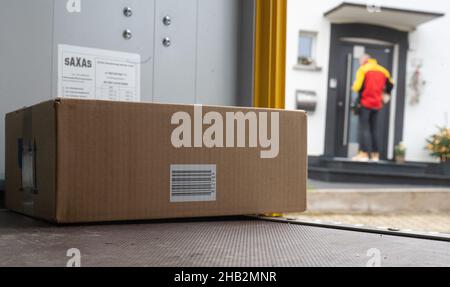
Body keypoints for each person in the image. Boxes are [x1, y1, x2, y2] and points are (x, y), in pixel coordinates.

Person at [351, 54, 394, 162]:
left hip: (365, 103)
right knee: (374, 129)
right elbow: (391, 85)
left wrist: (354, 87)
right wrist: (384, 93)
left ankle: (363, 154)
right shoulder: (383, 71)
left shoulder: (363, 70)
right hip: (377, 104)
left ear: (364, 60)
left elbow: (357, 87)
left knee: (364, 128)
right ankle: (375, 155)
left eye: (360, 61)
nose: (360, 63)